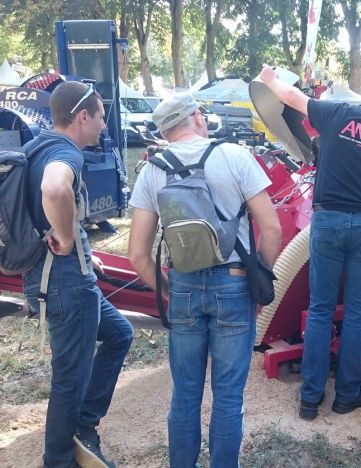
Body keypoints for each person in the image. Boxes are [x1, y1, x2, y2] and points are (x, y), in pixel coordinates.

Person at [128, 93, 281, 467]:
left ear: (165, 129)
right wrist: (257, 277)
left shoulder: (152, 169)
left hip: (183, 285)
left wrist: (167, 291)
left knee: (185, 393)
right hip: (234, 283)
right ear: (196, 117)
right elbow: (272, 228)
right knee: (228, 396)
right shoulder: (234, 156)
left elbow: (136, 254)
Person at [257, 65, 361, 420]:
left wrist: (268, 80)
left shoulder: (338, 112)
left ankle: (310, 399)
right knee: (357, 312)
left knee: (321, 309)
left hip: (327, 221)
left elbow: (293, 98)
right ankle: (346, 394)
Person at [21, 81, 133, 467]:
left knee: (120, 333)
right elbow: (54, 189)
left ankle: (83, 426)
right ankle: (58, 460)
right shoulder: (65, 152)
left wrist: (80, 245)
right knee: (69, 379)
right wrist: (67, 240)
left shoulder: (36, 145)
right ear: (82, 116)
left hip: (53, 275)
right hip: (67, 284)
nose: (103, 126)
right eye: (101, 118)